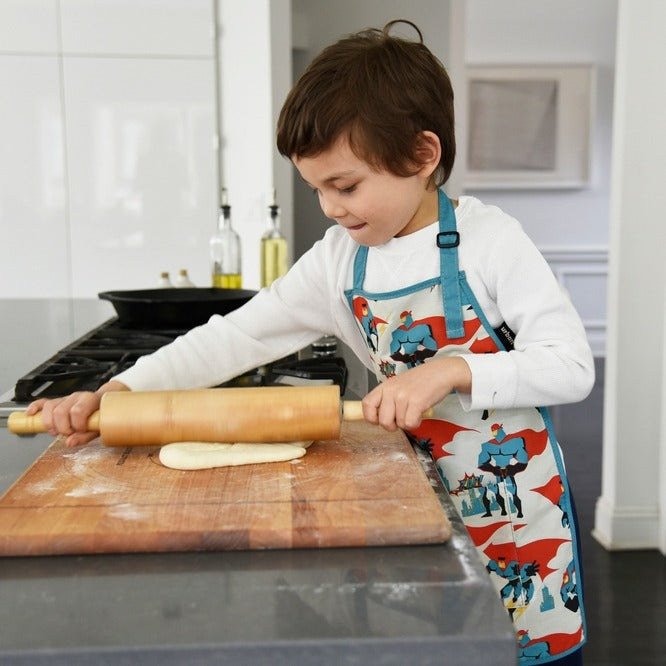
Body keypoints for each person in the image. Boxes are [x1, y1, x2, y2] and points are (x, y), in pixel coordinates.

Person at [27, 20, 593, 665]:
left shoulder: (490, 240)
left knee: (523, 652)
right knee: (443, 647)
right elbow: (236, 336)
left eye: (345, 186)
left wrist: (452, 370)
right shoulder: (339, 260)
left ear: (422, 154)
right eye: (316, 188)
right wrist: (120, 391)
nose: (329, 208)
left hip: (515, 507)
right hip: (415, 502)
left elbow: (570, 368)